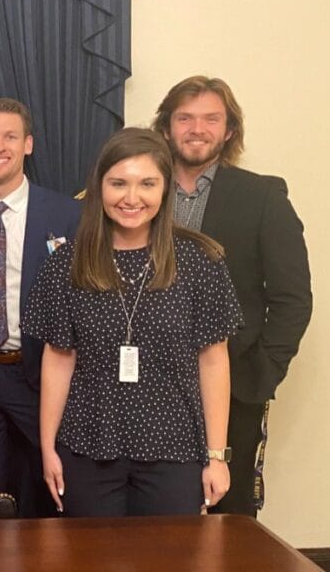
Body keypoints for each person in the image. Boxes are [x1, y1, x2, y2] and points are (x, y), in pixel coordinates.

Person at [24, 128, 242, 517]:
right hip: (88, 447)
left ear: (165, 188)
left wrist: (217, 456)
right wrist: (47, 448)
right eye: (118, 183)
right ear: (99, 187)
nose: (131, 198)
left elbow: (214, 361)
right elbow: (58, 358)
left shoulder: (200, 263)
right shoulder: (66, 265)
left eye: (147, 184)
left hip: (175, 452)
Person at [151, 76, 312, 517]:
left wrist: (260, 376)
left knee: (231, 517)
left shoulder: (262, 196)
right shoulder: (142, 191)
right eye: (184, 117)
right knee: (158, 520)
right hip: (152, 389)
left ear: (229, 131)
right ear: (166, 127)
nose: (196, 128)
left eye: (210, 118)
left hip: (236, 387)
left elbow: (293, 298)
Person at [0, 98, 80, 516]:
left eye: (10, 137)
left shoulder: (66, 215)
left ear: (28, 144)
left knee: (55, 482)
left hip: (40, 370)